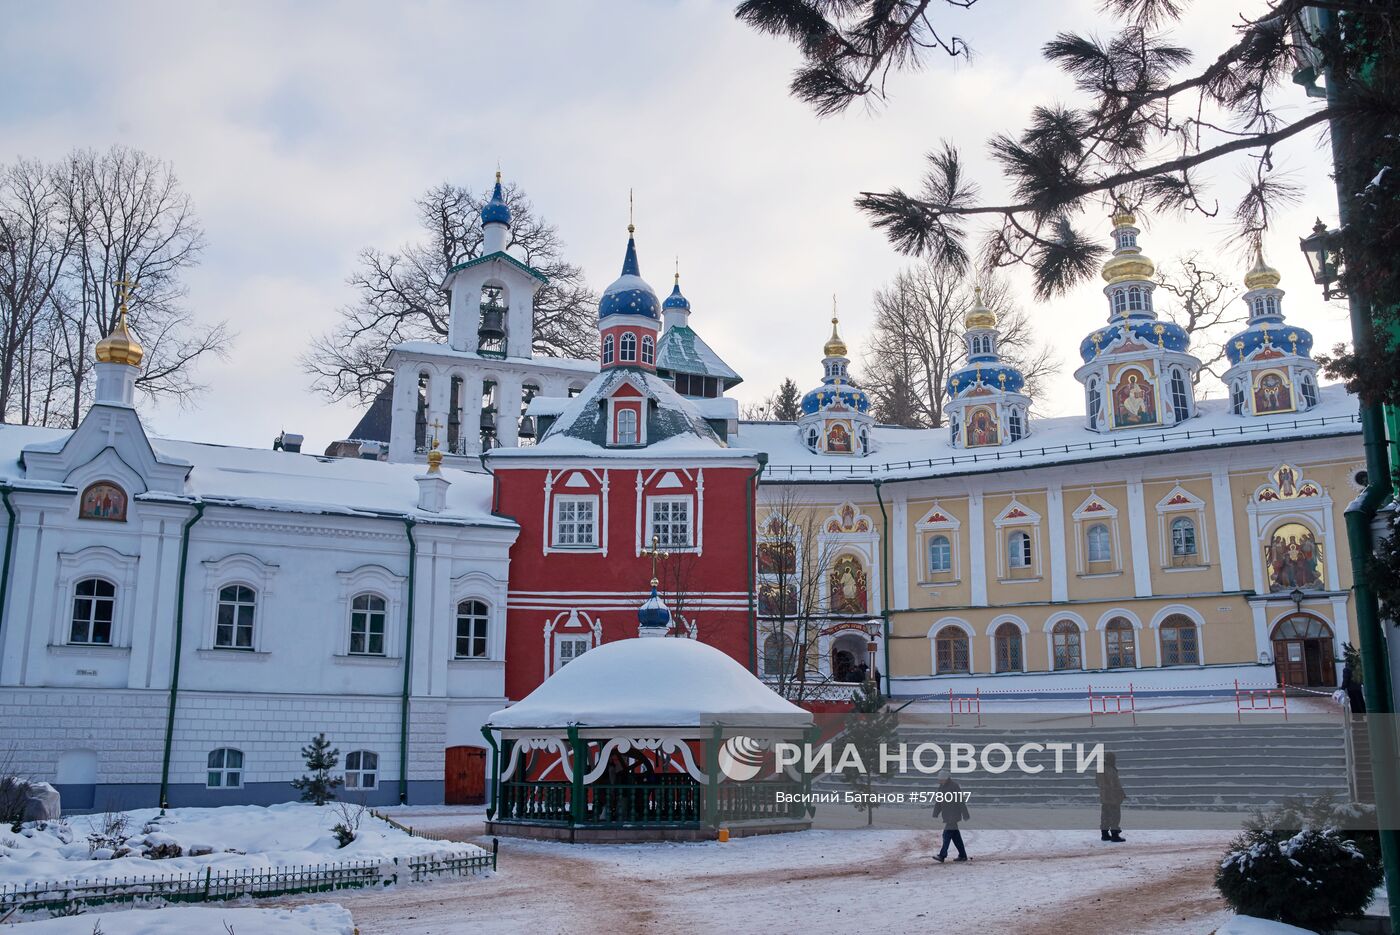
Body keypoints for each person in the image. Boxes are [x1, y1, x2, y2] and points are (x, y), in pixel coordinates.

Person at [932, 770, 970, 862]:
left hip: (953, 815)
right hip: (947, 815)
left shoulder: (954, 786)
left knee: (946, 835)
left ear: (946, 778)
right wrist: (936, 812)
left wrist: (965, 814)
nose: (939, 781)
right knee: (956, 837)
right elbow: (939, 801)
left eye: (941, 779)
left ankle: (942, 855)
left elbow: (961, 801)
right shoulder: (941, 787)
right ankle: (962, 855)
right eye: (939, 780)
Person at [1097, 751, 1126, 842]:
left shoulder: (1100, 769)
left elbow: (1097, 782)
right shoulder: (1111, 770)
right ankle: (1114, 835)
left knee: (1105, 815)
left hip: (1104, 796)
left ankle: (1104, 834)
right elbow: (1115, 784)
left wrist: (1103, 789)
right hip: (1113, 797)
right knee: (1115, 815)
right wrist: (1121, 793)